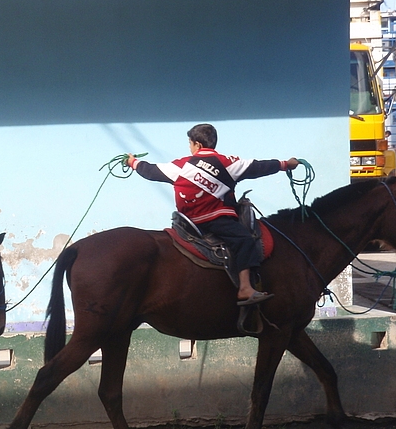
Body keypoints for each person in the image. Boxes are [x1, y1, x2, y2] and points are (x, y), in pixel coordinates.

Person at [124, 123, 299, 306]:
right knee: (244, 240)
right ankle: (246, 288)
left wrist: (133, 162)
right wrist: (286, 164)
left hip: (188, 224)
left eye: (190, 143)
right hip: (218, 221)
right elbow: (259, 167)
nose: (190, 147)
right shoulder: (228, 163)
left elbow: (151, 171)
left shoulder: (181, 166)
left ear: (197, 144)